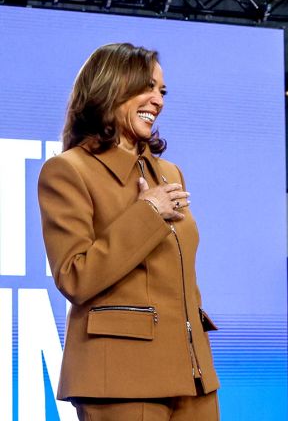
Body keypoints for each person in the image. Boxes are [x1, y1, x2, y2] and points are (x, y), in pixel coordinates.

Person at [38, 43, 220, 420]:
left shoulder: (169, 172)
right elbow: (75, 276)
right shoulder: (68, 171)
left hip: (193, 377)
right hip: (120, 377)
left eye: (162, 91)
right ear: (109, 88)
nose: (157, 100)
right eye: (146, 87)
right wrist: (148, 212)